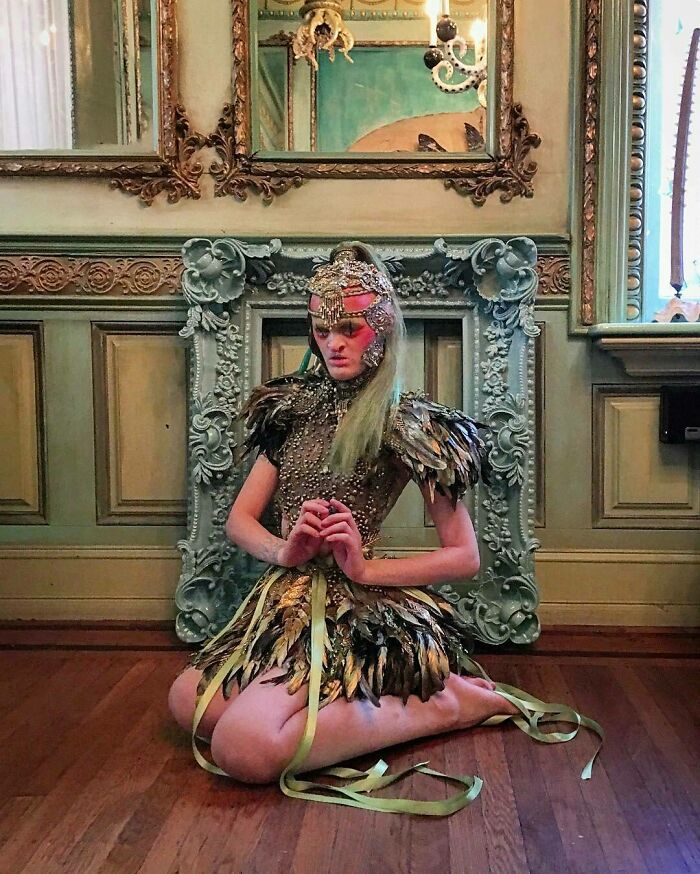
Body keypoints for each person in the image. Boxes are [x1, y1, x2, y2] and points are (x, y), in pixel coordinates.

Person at [168, 242, 601, 816]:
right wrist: (285, 549)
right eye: (322, 329)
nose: (333, 343)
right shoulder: (291, 407)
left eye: (349, 327)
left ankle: (447, 705)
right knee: (186, 704)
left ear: (383, 328)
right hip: (284, 602)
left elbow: (464, 556)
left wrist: (367, 568)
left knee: (243, 749)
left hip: (355, 609)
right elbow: (239, 521)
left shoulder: (408, 422)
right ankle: (355, 704)